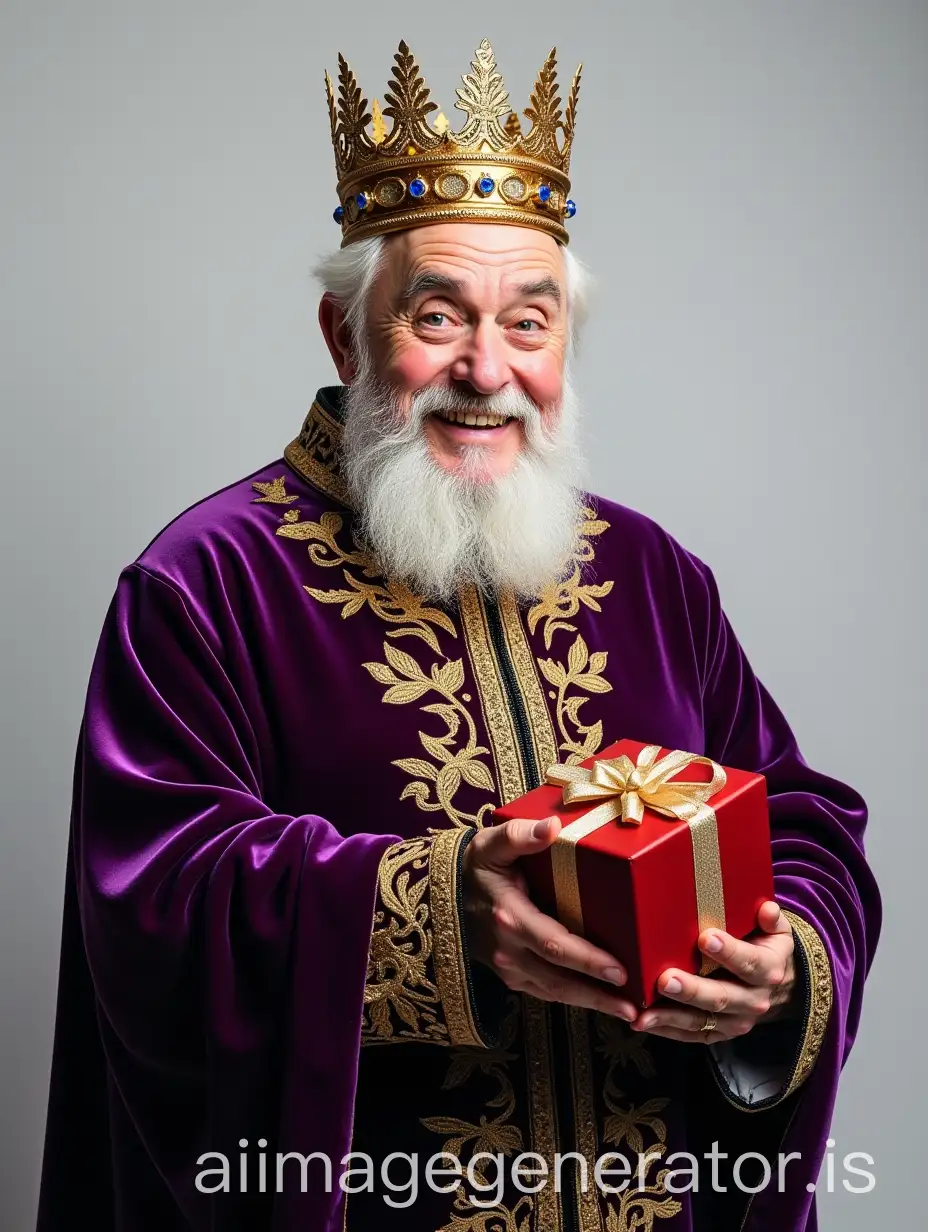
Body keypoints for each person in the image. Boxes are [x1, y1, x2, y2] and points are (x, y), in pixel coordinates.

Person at [36, 37, 880, 1232]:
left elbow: (799, 817)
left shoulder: (652, 572)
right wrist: (440, 911)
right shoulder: (202, 582)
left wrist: (787, 961)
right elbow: (152, 901)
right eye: (438, 315)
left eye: (529, 324)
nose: (487, 371)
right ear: (344, 333)